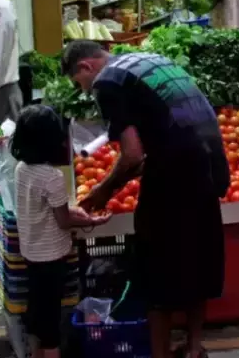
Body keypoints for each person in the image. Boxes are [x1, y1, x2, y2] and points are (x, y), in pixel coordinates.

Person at [63, 41, 230, 358]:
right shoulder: (145, 59)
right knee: (198, 260)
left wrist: (103, 190)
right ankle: (194, 348)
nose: (85, 91)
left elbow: (132, 154)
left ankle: (160, 353)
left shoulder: (107, 82)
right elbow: (155, 142)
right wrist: (120, 179)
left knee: (154, 271)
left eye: (79, 83)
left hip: (175, 175)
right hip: (209, 168)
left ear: (86, 66)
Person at [11, 105, 108, 358]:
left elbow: (47, 209)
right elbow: (63, 220)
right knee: (51, 317)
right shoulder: (51, 177)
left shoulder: (21, 169)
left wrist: (77, 213)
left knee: (36, 309)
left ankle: (35, 354)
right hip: (52, 255)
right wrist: (92, 221)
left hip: (31, 250)